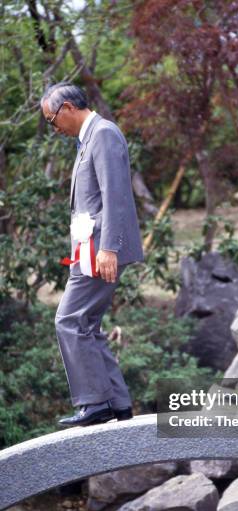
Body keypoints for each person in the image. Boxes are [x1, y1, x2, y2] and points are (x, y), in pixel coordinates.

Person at [41, 82, 143, 427]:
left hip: (101, 248)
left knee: (69, 320)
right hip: (89, 249)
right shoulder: (90, 138)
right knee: (88, 324)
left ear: (68, 107)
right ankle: (117, 403)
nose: (53, 128)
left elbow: (115, 196)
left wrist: (110, 249)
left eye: (52, 120)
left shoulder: (103, 134)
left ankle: (95, 404)